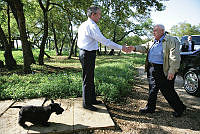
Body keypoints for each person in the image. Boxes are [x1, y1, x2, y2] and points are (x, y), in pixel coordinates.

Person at [77, 5, 131, 111]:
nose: (100, 17)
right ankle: (86, 103)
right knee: (87, 79)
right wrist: (121, 48)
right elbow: (105, 41)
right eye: (99, 14)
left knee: (90, 77)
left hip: (86, 53)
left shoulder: (84, 24)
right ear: (93, 14)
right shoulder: (91, 26)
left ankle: (92, 99)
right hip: (87, 54)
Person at [130, 24, 186, 117]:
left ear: (162, 31)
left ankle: (179, 108)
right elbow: (144, 47)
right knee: (152, 89)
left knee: (167, 91)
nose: (153, 32)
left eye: (155, 30)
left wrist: (172, 71)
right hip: (152, 68)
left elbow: (175, 57)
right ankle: (150, 108)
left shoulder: (171, 40)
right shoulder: (153, 41)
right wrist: (134, 48)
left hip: (164, 69)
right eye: (153, 30)